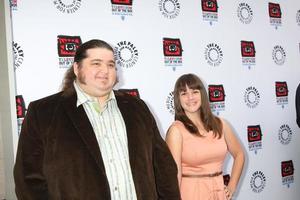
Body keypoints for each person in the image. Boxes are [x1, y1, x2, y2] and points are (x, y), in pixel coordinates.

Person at [14, 39, 180, 200]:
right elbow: (28, 180)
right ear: (77, 68)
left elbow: (163, 167)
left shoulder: (137, 108)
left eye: (111, 64)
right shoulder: (43, 112)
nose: (105, 70)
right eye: (96, 63)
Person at [166, 73, 245, 200]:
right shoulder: (176, 131)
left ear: (202, 94)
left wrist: (231, 187)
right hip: (190, 194)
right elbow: (174, 175)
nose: (190, 97)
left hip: (219, 193)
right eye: (184, 93)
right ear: (178, 99)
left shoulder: (221, 124)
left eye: (194, 91)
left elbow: (239, 154)